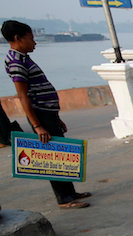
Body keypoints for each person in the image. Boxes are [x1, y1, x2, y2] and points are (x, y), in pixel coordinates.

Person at [2, 20, 90, 209]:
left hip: (48, 113)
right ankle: (64, 198)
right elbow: (23, 96)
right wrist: (37, 125)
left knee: (60, 151)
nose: (34, 43)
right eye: (31, 39)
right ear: (18, 38)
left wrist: (56, 118)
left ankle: (70, 192)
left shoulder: (23, 58)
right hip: (40, 114)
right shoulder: (16, 61)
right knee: (52, 156)